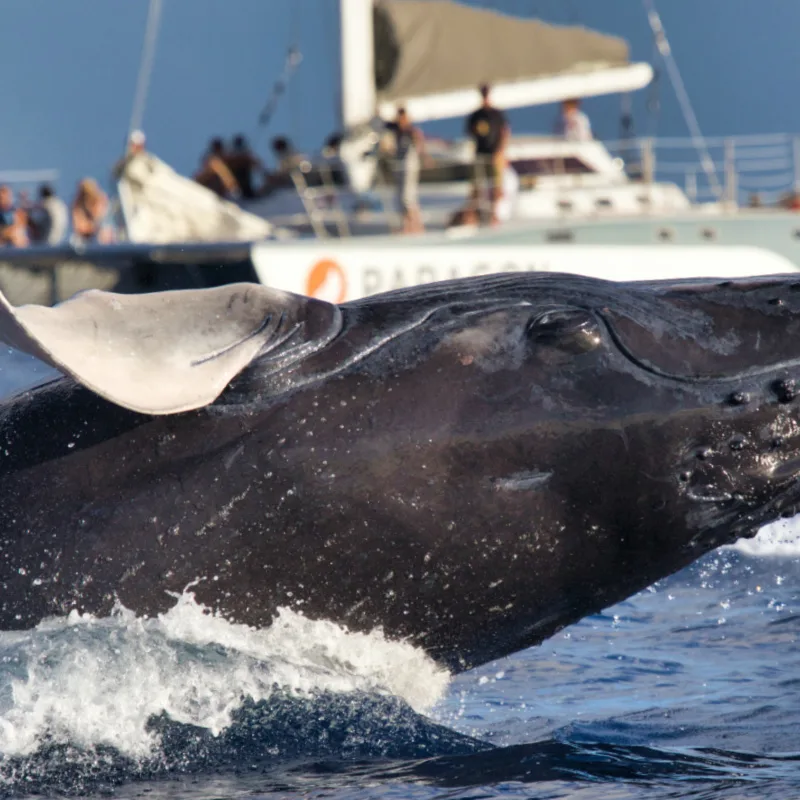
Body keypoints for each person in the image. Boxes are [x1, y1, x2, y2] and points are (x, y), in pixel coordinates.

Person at [465, 84, 510, 225]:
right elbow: (470, 133)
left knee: (495, 186)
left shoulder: (496, 114)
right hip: (480, 154)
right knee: (477, 186)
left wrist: (502, 151)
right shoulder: (476, 115)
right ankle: (477, 215)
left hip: (494, 154)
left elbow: (505, 132)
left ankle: (494, 215)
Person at [383, 107, 427, 234]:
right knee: (400, 197)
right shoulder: (396, 130)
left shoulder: (411, 131)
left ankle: (415, 225)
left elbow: (419, 144)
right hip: (399, 167)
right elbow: (383, 125)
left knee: (408, 197)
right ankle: (406, 225)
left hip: (409, 167)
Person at [71, 178, 114, 244]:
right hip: (86, 240)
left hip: (103, 238)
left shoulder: (101, 199)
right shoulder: (78, 203)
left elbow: (102, 220)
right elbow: (78, 226)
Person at [224, 134, 267, 199]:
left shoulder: (246, 156)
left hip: (245, 184)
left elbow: (257, 165)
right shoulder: (231, 157)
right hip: (234, 184)